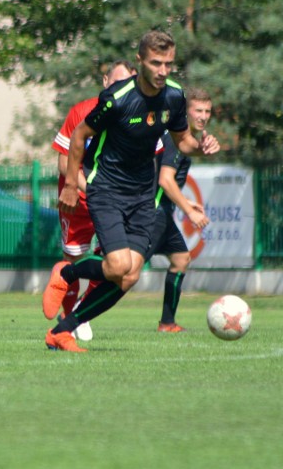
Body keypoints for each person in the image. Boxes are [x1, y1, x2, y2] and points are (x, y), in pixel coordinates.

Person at [42, 30, 220, 352]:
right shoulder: (116, 98)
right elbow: (80, 135)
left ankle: (62, 331)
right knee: (118, 266)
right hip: (106, 189)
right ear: (140, 62)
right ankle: (67, 272)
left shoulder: (175, 97)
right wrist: (70, 184)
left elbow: (183, 142)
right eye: (156, 63)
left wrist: (201, 146)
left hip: (142, 195)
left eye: (168, 63)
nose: (163, 71)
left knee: (129, 275)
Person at [50, 59, 138, 341]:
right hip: (77, 199)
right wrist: (91, 189)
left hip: (112, 202)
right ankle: (67, 322)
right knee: (71, 259)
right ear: (104, 81)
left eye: (126, 84)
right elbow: (65, 164)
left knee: (115, 263)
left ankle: (80, 312)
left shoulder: (134, 116)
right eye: (115, 82)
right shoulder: (82, 112)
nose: (119, 89)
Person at [145, 87, 213, 332]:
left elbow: (165, 181)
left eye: (207, 111)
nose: (203, 116)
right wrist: (190, 211)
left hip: (162, 210)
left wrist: (185, 202)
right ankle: (76, 298)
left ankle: (167, 323)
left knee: (180, 258)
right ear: (186, 112)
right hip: (152, 213)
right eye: (198, 110)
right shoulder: (175, 138)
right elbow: (165, 180)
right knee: (124, 273)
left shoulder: (186, 140)